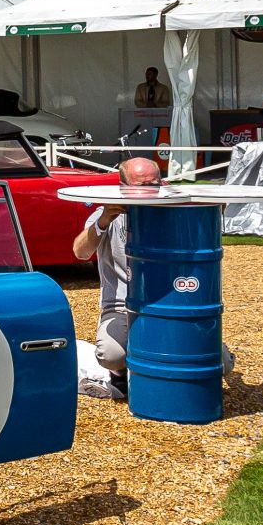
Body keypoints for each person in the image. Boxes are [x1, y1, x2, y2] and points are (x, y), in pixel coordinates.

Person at [73, 155, 163, 396]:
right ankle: (120, 375)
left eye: (155, 184)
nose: (150, 191)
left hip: (167, 304)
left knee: (222, 364)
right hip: (122, 305)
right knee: (111, 355)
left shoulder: (172, 211)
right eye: (142, 186)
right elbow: (80, 252)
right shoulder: (109, 213)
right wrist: (102, 221)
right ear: (123, 187)